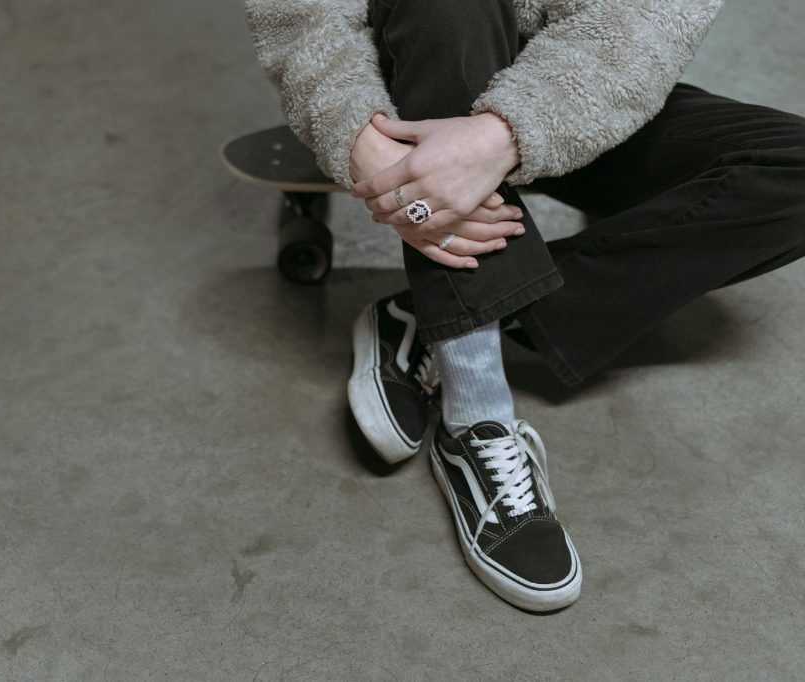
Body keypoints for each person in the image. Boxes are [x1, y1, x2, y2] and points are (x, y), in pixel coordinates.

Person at [243, 0, 805, 611]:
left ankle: (430, 319)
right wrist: (360, 137)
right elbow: (299, 11)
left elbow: (648, 15)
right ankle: (475, 413)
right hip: (414, 88)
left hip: (574, 86)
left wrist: (504, 132)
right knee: (450, 13)